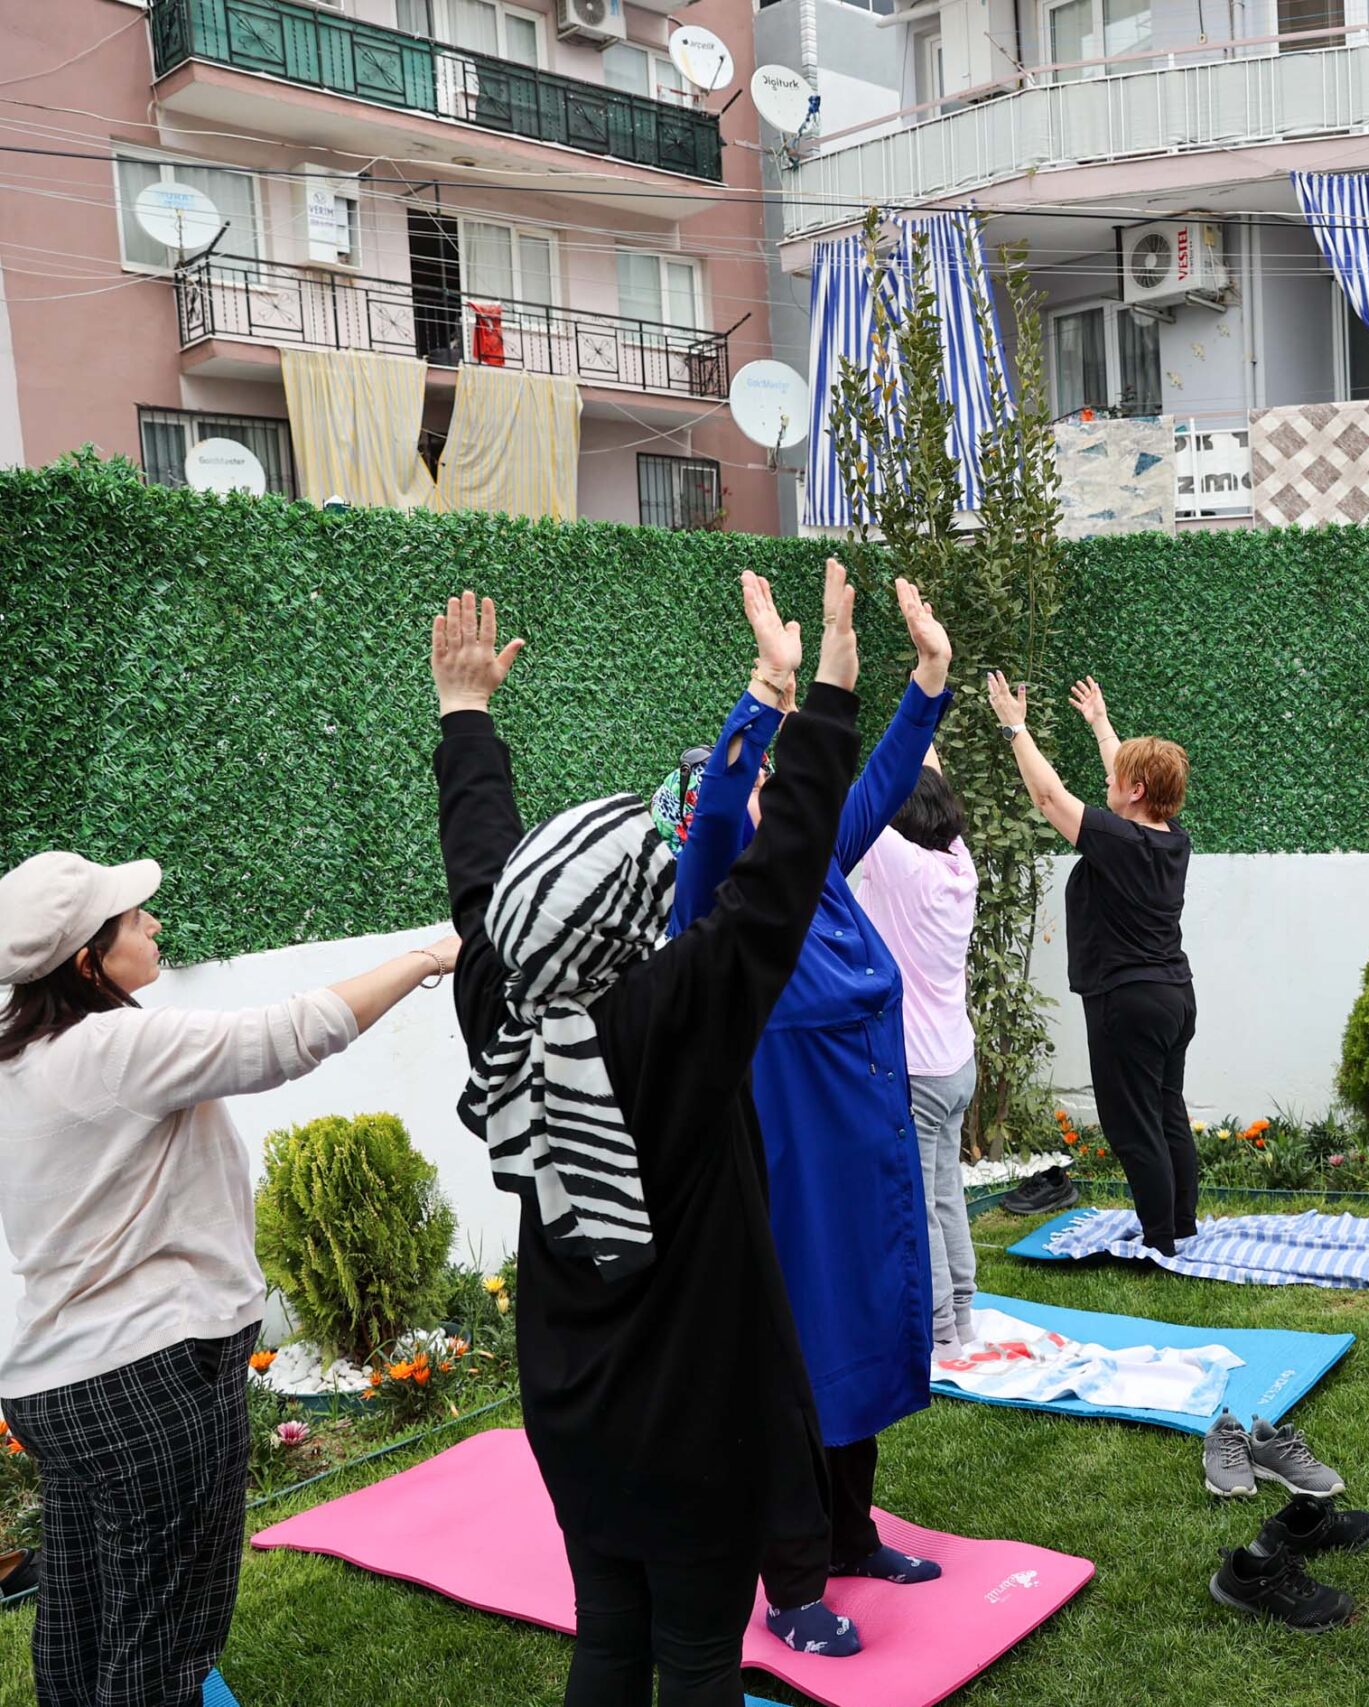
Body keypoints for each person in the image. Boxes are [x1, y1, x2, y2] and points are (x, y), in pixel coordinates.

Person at [432, 571, 865, 1707]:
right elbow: (780, 879)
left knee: (610, 1641)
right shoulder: (670, 1018)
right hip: (698, 1423)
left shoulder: (504, 1000)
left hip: (571, 1411)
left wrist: (465, 717)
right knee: (699, 1658)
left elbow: (481, 879)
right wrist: (825, 693)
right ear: (629, 923)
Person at [0, 858, 456, 1707]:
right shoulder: (111, 1048)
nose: (154, 925)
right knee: (159, 1646)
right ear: (86, 961)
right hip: (146, 1383)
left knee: (80, 1622)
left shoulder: (17, 1056)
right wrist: (429, 956)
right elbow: (292, 1035)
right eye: (134, 918)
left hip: (56, 1388)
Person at [655, 567, 955, 1656]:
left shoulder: (814, 871)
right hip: (786, 1187)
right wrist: (769, 689)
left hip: (862, 1170)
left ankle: (847, 1534)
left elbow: (873, 780)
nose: (779, 792)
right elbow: (718, 812)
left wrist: (927, 679)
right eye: (762, 784)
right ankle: (787, 1588)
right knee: (790, 1375)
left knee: (862, 1349)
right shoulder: (716, 908)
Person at [984, 669, 1197, 1257]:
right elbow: (1127, 784)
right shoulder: (1169, 839)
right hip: (1174, 997)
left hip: (1127, 1001)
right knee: (1166, 1110)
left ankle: (1159, 1240)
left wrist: (1016, 728)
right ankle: (1180, 1224)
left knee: (1134, 1125)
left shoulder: (1120, 842)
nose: (1109, 779)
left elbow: (1048, 797)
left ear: (1136, 791)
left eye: (1118, 777)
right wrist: (1101, 725)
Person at [860, 746, 982, 1356]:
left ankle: (939, 1332)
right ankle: (962, 1313)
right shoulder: (960, 864)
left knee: (921, 1204)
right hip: (958, 1062)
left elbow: (850, 799)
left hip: (921, 1069)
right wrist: (924, 710)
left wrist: (796, 715)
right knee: (947, 1193)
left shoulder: (901, 863)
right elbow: (926, 775)